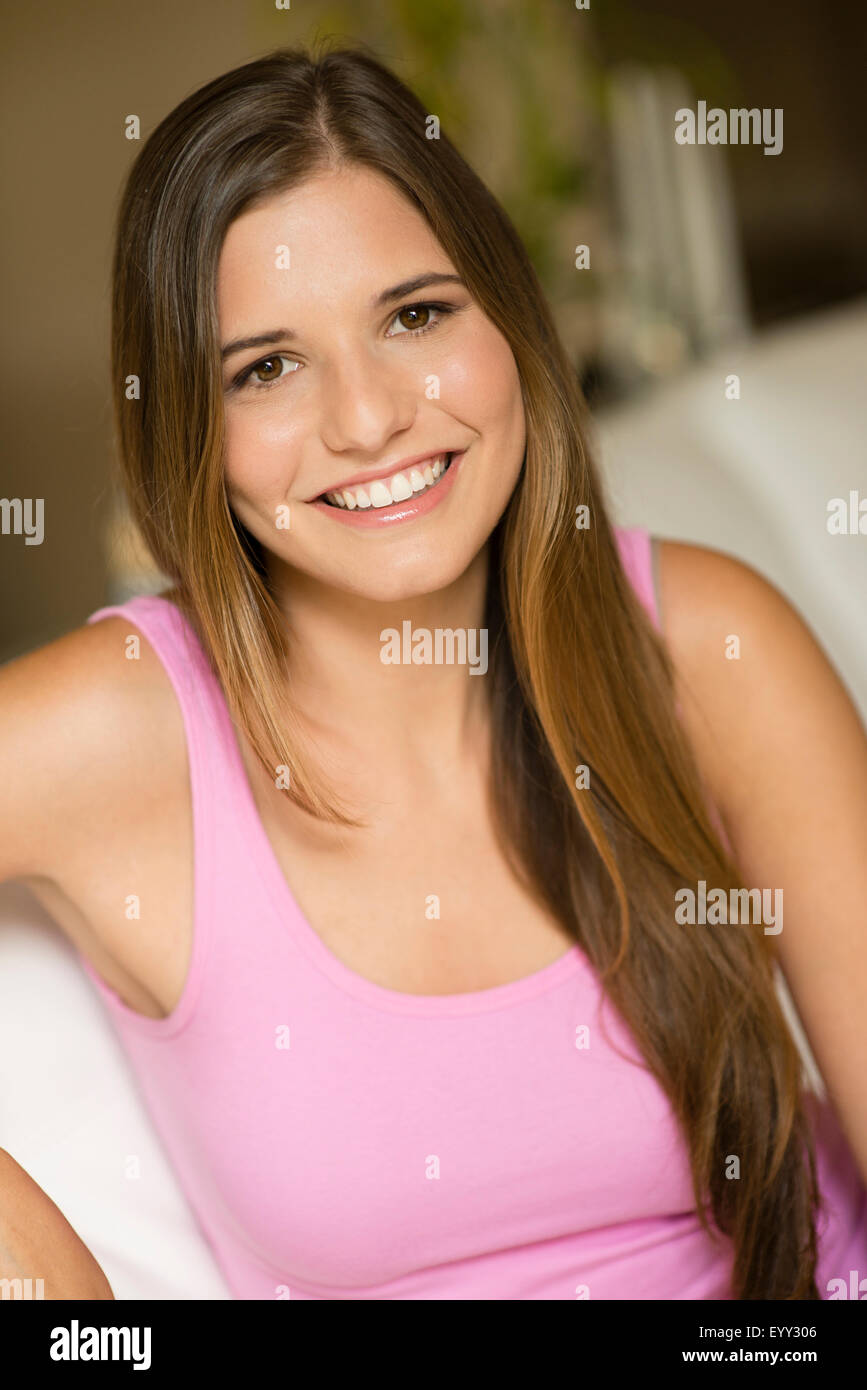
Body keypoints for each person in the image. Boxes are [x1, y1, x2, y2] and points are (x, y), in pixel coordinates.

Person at [2, 43, 865, 1301]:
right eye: (268, 367)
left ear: (510, 320)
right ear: (193, 427)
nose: (368, 419)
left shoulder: (706, 643)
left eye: (416, 314)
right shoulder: (116, 728)